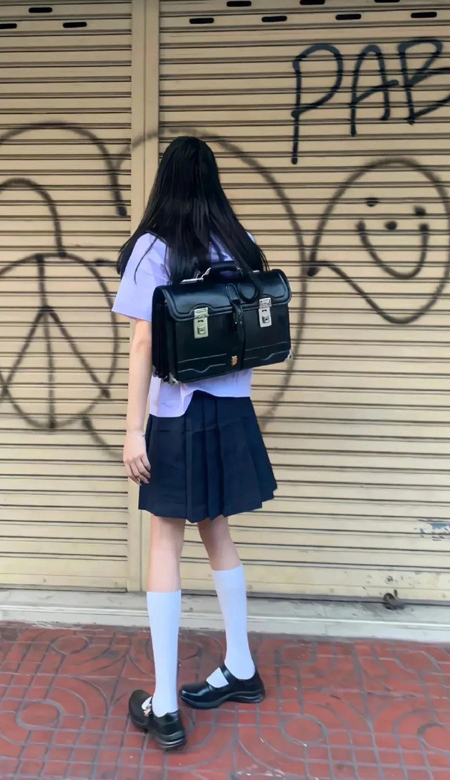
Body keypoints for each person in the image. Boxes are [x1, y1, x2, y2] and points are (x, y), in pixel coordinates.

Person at [112, 136, 277, 750]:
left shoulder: (155, 248)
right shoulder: (241, 242)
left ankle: (163, 703)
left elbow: (142, 343)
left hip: (179, 413)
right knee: (218, 532)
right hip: (231, 409)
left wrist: (134, 429)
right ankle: (241, 667)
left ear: (165, 182)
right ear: (213, 181)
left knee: (165, 539)